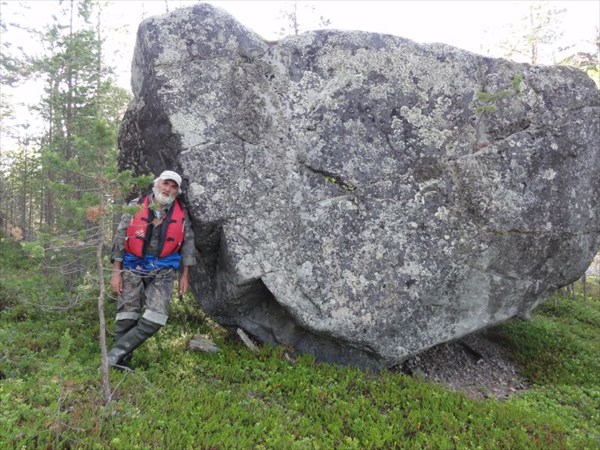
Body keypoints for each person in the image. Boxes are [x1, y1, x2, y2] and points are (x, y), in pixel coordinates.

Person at [108, 170, 196, 368]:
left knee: (156, 317)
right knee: (127, 314)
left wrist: (185, 275)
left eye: (173, 187)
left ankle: (112, 355)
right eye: (166, 184)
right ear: (157, 183)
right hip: (132, 265)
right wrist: (116, 271)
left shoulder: (181, 213)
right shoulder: (135, 205)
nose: (168, 189)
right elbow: (121, 237)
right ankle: (120, 362)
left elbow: (188, 242)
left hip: (163, 270)